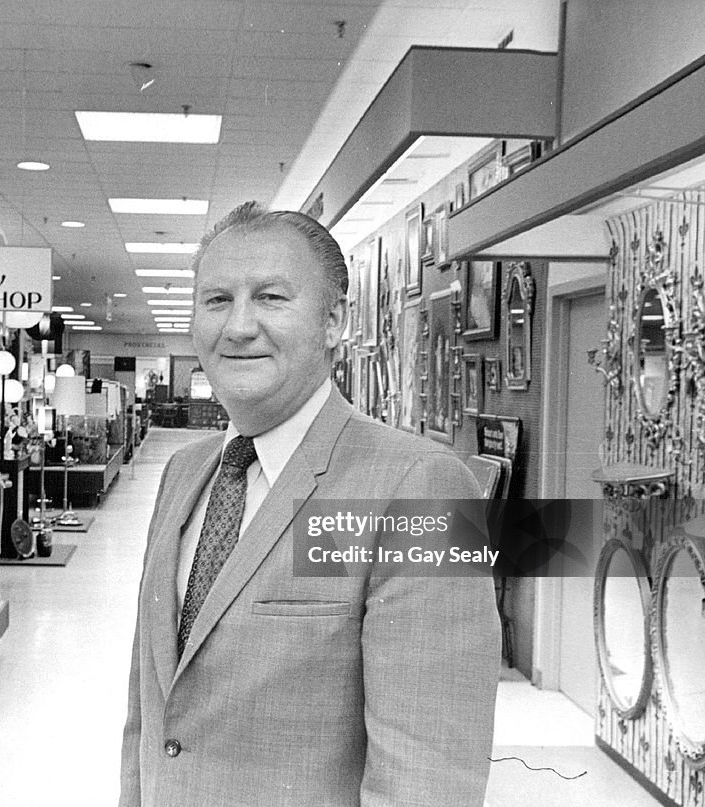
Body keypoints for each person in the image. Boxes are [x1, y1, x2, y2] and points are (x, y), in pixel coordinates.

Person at [119, 201, 501, 807]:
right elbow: (152, 714)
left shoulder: (421, 488)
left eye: (271, 298)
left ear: (333, 322)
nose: (239, 326)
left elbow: (427, 780)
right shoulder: (183, 474)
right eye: (217, 300)